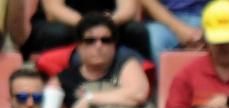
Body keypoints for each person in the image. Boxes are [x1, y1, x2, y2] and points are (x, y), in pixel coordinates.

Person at [49, 12, 163, 108]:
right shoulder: (64, 79)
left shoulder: (126, 64)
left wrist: (90, 100)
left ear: (114, 44)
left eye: (106, 40)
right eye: (90, 41)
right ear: (78, 45)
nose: (99, 46)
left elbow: (137, 94)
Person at [17, 0, 152, 60]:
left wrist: (110, 21)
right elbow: (53, 10)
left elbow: (128, 9)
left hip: (107, 22)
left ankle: (138, 79)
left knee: (136, 31)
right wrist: (88, 24)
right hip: (64, 22)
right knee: (58, 34)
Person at [140, 0, 229, 64]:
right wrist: (178, 28)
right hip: (167, 19)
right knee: (156, 39)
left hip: (211, 15)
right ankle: (172, 99)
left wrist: (210, 28)